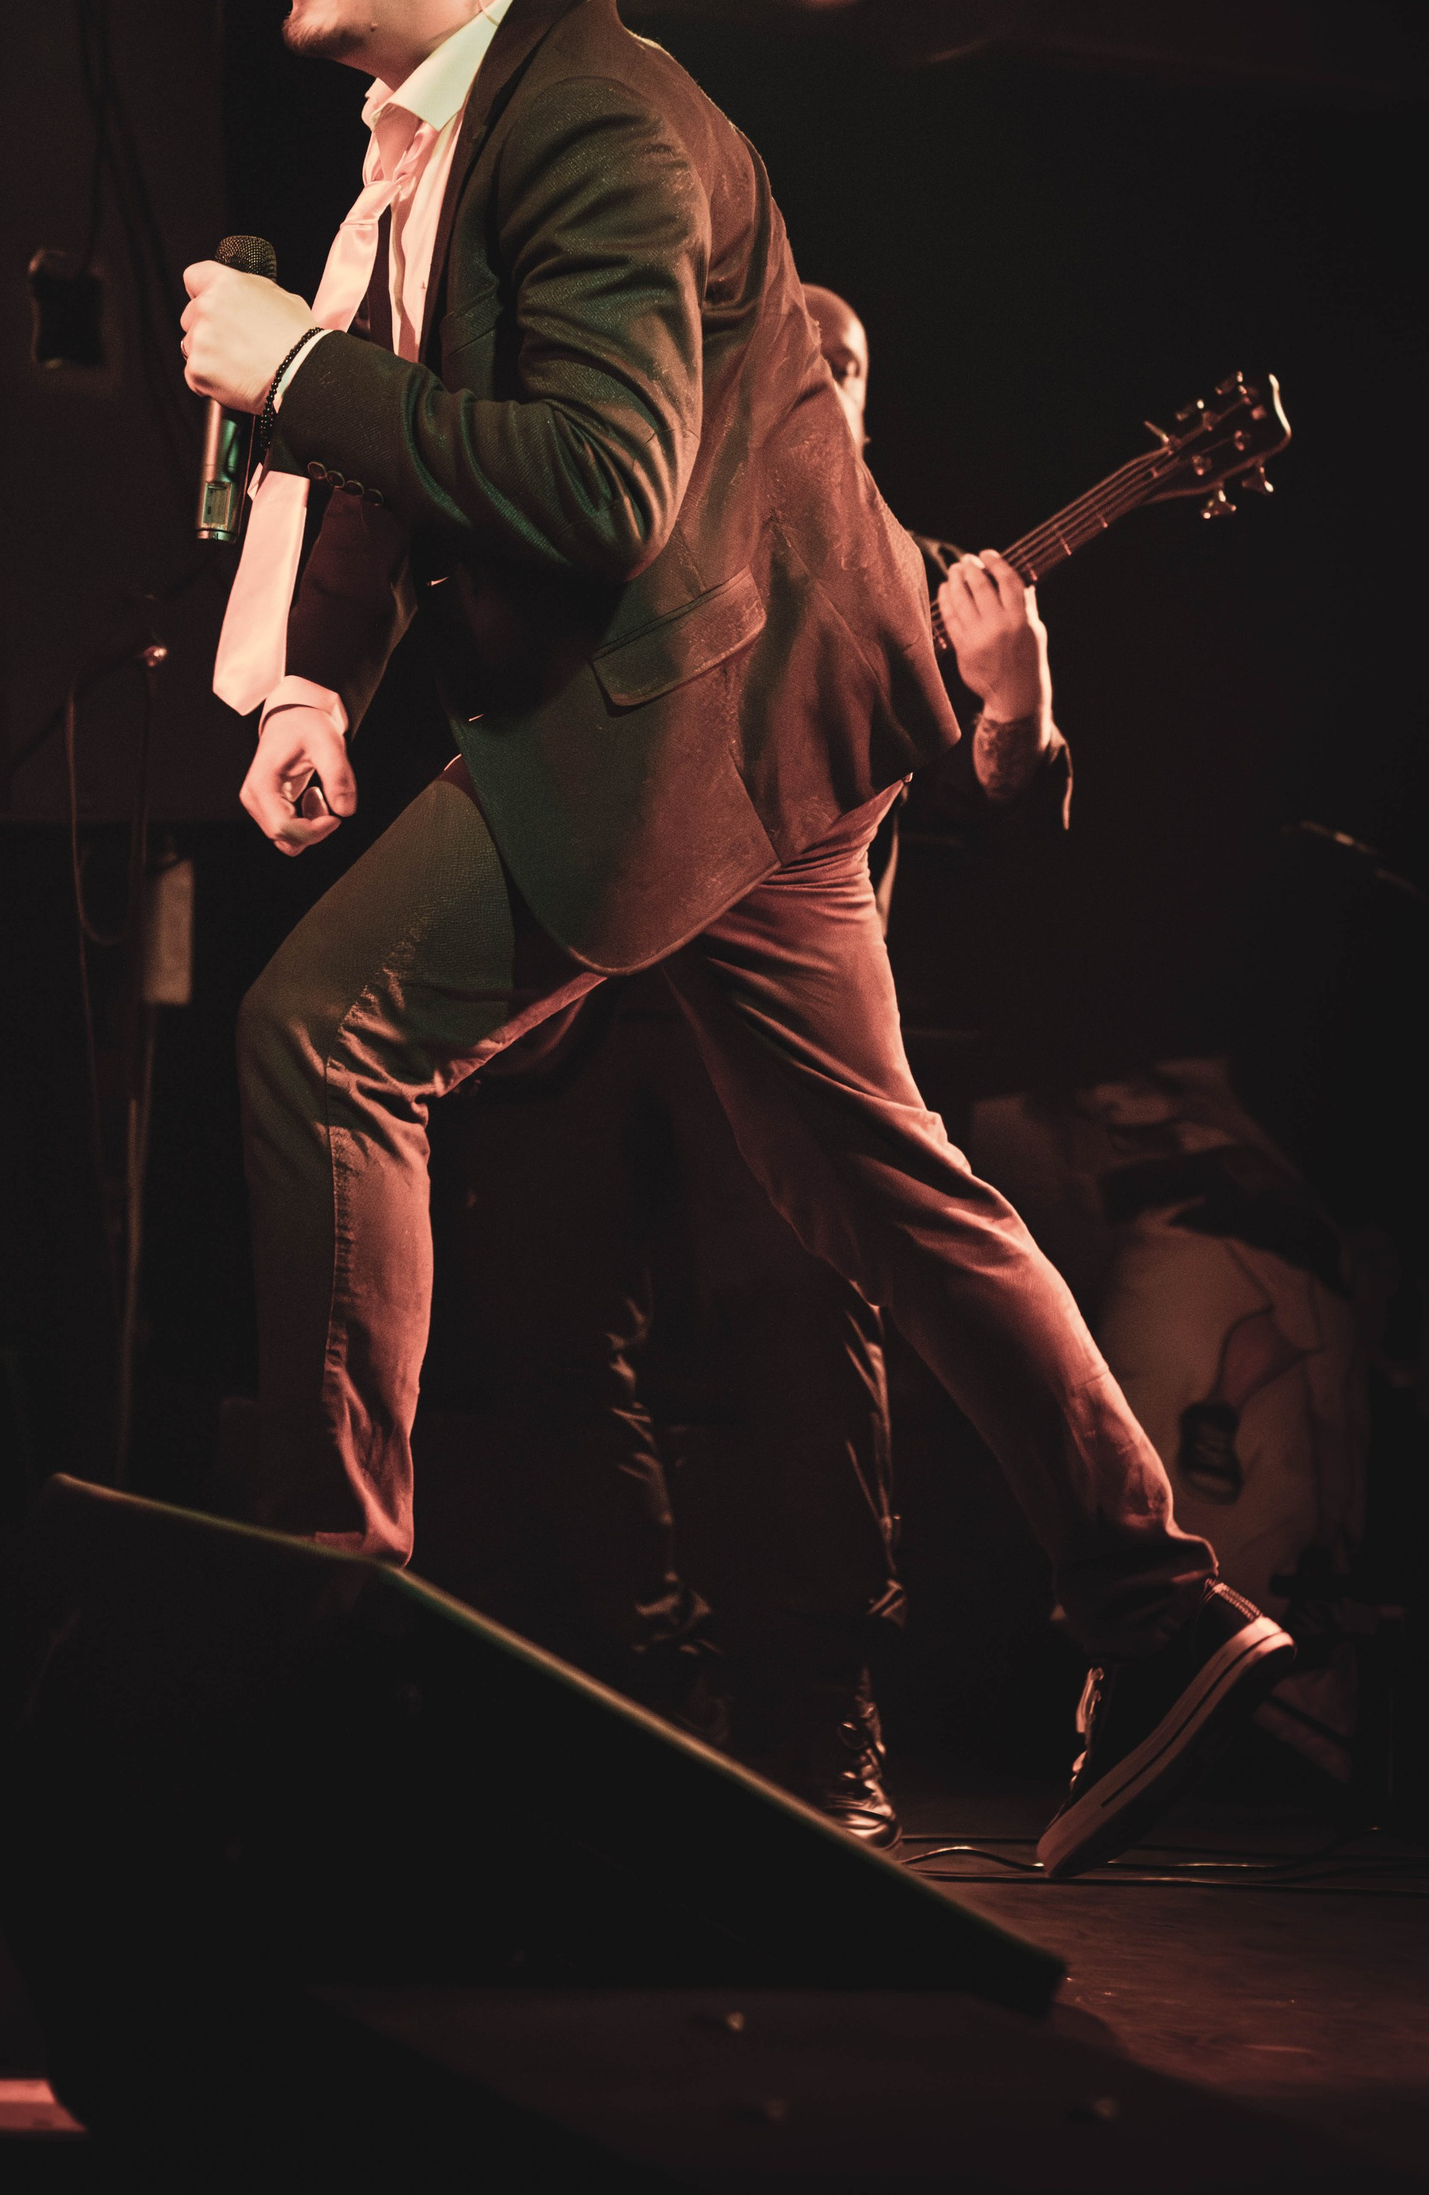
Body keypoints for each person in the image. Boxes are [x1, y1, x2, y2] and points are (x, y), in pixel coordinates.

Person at [179, 0, 1293, 1878]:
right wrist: (312, 685)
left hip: (686, 714)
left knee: (323, 1039)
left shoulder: (598, 120)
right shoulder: (449, 136)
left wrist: (292, 371)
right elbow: (425, 441)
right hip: (770, 717)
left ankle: (325, 1621)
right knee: (884, 1177)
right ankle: (1159, 1607)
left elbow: (599, 486)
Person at [419, 281, 1075, 1848]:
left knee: (803, 1346)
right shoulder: (634, 548)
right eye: (792, 365)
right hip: (588, 1015)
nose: (814, 388)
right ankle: (648, 1687)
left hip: (773, 1025)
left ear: (866, 408)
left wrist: (1019, 703)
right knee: (546, 1347)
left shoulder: (922, 583)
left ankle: (818, 1718)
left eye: (843, 369)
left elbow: (1009, 810)